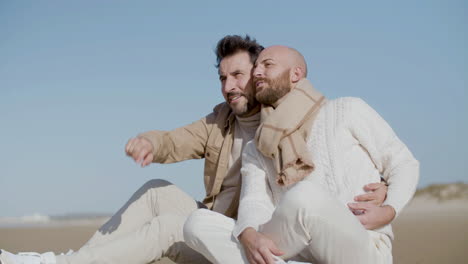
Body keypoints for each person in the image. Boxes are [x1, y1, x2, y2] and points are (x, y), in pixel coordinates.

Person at [0, 38, 388, 264]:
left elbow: (341, 148)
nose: (229, 85)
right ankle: (68, 263)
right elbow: (176, 140)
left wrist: (383, 187)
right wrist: (151, 141)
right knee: (157, 190)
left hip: (253, 244)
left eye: (237, 75)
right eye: (222, 78)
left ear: (257, 75)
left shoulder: (287, 121)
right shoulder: (220, 121)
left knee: (171, 226)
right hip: (216, 227)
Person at [183, 45, 420, 264]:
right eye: (256, 67)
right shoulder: (256, 147)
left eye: (268, 65)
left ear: (295, 74)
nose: (257, 72)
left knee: (304, 196)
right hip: (299, 253)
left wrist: (389, 210)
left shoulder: (347, 109)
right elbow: (254, 201)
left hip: (362, 244)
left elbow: (403, 164)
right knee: (198, 224)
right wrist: (250, 236)